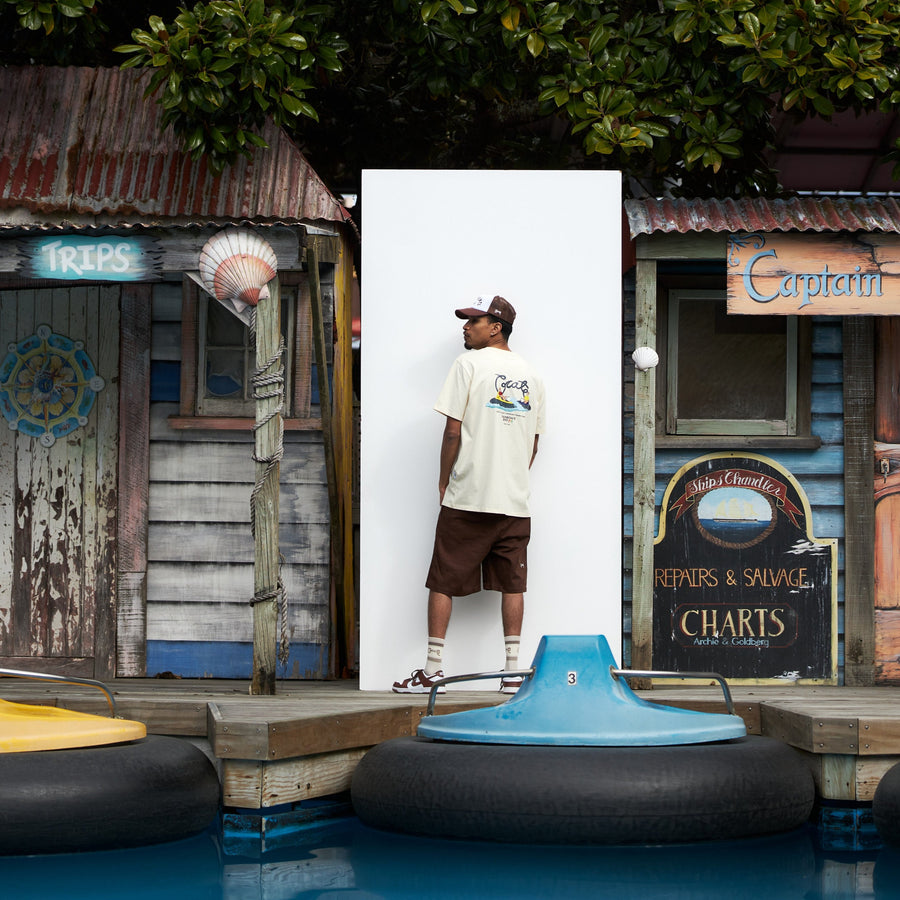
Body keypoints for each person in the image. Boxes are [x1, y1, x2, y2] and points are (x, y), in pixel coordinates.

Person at [393, 294, 546, 694]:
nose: (465, 327)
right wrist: (512, 478)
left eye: (473, 321)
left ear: (495, 328)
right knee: (514, 584)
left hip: (468, 496)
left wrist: (444, 480)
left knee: (443, 579)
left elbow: (452, 432)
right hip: (515, 502)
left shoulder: (468, 364)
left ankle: (433, 670)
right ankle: (512, 672)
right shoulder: (532, 376)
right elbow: (533, 444)